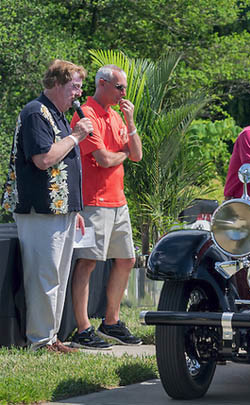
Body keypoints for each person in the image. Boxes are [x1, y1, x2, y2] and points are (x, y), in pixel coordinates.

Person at [2, 59, 93, 353]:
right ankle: (39, 341)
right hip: (39, 209)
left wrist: (75, 209)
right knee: (44, 275)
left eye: (80, 87)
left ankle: (52, 337)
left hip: (61, 210)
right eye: (74, 86)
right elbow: (44, 159)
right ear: (55, 83)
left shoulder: (58, 114)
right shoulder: (35, 113)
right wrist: (76, 136)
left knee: (58, 274)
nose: (78, 93)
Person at [69, 64, 143, 349]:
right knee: (87, 263)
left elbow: (135, 155)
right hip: (93, 202)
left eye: (124, 88)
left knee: (127, 260)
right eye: (120, 88)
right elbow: (103, 159)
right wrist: (122, 152)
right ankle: (83, 328)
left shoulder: (116, 116)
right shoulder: (85, 114)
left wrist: (130, 120)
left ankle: (111, 322)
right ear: (102, 84)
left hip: (118, 201)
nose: (124, 93)